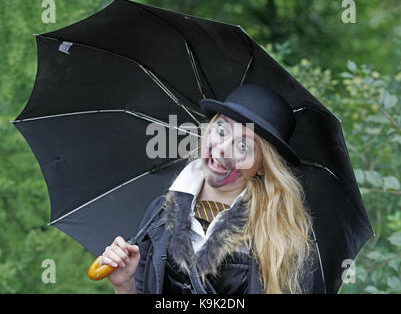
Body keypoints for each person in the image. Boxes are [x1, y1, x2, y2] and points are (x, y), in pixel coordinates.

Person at [99, 84, 325, 294]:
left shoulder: (280, 241)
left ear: (262, 167)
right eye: (222, 130)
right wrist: (125, 284)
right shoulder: (159, 213)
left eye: (243, 145)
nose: (223, 148)